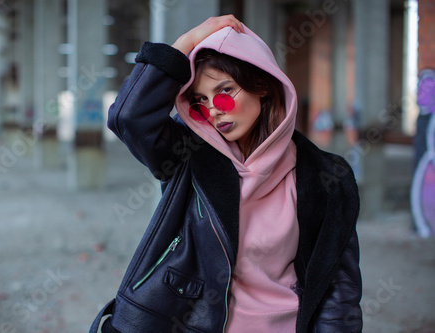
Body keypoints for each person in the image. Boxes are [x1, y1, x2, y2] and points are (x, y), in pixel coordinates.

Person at [94, 15, 362, 332]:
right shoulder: (189, 158)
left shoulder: (327, 176)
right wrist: (186, 42)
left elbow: (338, 289)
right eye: (200, 101)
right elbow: (129, 118)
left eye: (224, 92)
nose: (214, 110)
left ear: (261, 86)